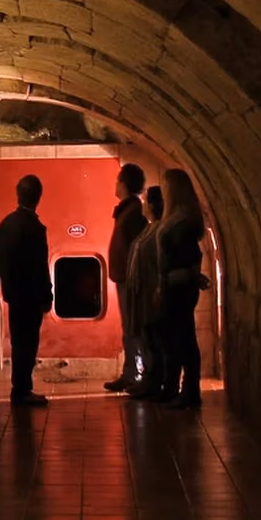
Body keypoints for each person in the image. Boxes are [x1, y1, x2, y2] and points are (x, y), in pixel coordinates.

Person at [0, 174, 53, 407]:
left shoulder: (6, 224)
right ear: (38, 197)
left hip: (14, 294)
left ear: (18, 194)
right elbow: (40, 265)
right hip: (31, 296)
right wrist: (47, 294)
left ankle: (19, 389)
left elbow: (1, 261)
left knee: (19, 342)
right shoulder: (35, 227)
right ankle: (22, 390)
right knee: (28, 343)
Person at [157, 169, 206, 409]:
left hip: (178, 286)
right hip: (176, 284)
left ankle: (190, 389)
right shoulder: (182, 218)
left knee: (184, 336)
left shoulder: (182, 221)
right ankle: (185, 388)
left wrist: (183, 275)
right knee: (181, 336)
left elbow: (189, 254)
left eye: (166, 186)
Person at [105, 163, 148, 393]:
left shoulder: (133, 213)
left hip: (130, 280)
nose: (115, 184)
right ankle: (130, 372)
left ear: (124, 183)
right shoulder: (127, 211)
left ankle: (136, 375)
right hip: (125, 278)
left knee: (133, 327)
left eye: (118, 180)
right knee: (129, 327)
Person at [125, 186, 165, 401]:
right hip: (143, 291)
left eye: (146, 200)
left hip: (151, 291)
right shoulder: (151, 229)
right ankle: (149, 380)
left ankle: (156, 382)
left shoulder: (158, 230)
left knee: (155, 339)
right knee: (148, 336)